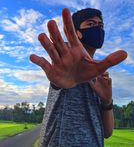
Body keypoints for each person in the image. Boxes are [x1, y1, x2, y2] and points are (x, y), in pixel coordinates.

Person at [30, 8, 127, 147]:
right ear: (77, 33)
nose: (98, 28)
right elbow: (59, 80)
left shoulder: (100, 76)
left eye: (101, 25)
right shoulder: (66, 63)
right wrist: (60, 81)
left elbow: (107, 132)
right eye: (91, 24)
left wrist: (107, 101)